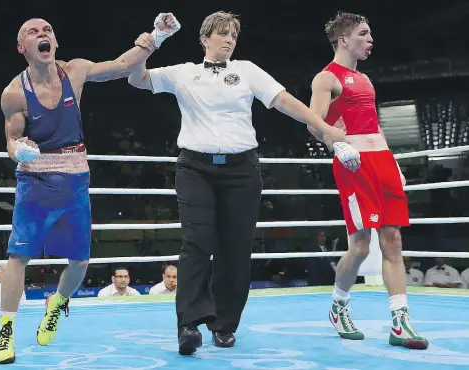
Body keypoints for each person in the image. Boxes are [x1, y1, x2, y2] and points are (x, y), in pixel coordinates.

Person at [128, 11, 356, 355]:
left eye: (234, 34)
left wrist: (325, 129)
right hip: (195, 169)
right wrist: (154, 41)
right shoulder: (183, 73)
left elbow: (285, 103)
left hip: (242, 170)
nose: (230, 39)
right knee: (197, 242)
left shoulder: (247, 70)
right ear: (205, 38)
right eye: (222, 33)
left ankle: (224, 324)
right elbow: (136, 78)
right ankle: (188, 325)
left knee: (235, 250)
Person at [0, 15, 180, 364]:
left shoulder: (75, 71)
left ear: (55, 42)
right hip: (35, 180)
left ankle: (58, 304)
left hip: (75, 178)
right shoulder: (14, 93)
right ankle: (6, 332)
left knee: (80, 262)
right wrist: (20, 149)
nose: (42, 34)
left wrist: (157, 36)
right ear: (23, 48)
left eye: (47, 29)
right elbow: (11, 140)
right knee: (18, 257)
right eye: (33, 32)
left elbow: (123, 65)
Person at [307, 11, 428, 349]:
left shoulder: (366, 80)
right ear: (343, 39)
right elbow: (313, 123)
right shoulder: (326, 78)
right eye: (363, 33)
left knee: (393, 240)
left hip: (381, 161)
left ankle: (400, 322)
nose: (370, 39)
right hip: (353, 163)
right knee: (360, 246)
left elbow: (374, 125)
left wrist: (393, 160)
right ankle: (338, 305)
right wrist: (337, 144)